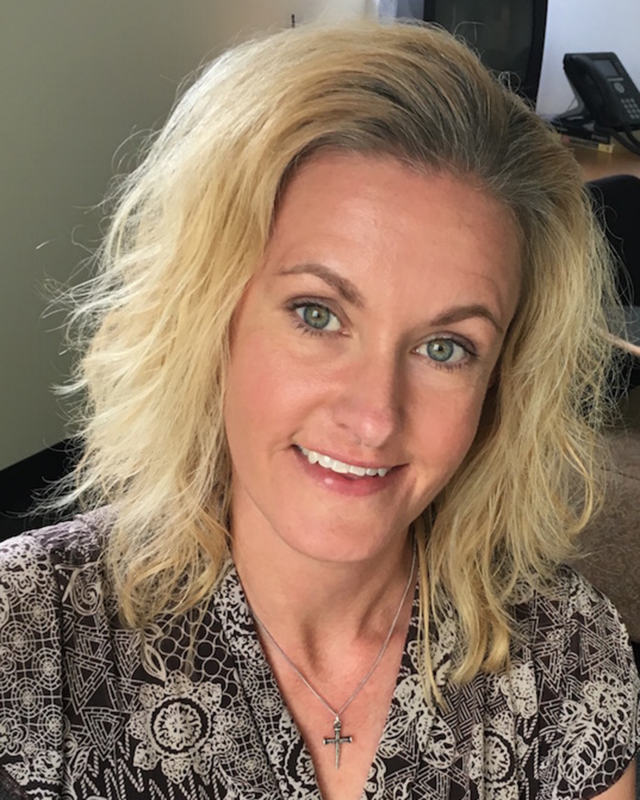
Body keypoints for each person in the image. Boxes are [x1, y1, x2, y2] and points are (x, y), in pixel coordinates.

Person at [0, 19, 638, 800]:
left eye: (446, 347)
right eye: (317, 314)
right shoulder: (28, 640)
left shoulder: (569, 655)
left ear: (503, 383)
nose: (374, 419)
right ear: (209, 318)